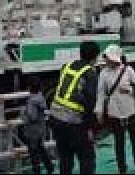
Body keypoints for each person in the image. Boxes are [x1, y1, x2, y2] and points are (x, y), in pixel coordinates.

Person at [95, 45, 135, 175]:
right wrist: (99, 111)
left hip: (131, 111)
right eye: (106, 58)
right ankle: (122, 168)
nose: (107, 61)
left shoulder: (128, 70)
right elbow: (100, 94)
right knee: (119, 142)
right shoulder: (103, 73)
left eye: (109, 58)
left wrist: (129, 89)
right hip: (114, 113)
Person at [50, 41, 100, 175]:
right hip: (74, 122)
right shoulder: (90, 74)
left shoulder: (66, 66)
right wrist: (90, 128)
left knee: (65, 159)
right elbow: (90, 103)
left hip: (56, 118)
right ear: (95, 57)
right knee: (87, 158)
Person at [22, 77, 54, 175]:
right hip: (40, 129)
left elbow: (32, 116)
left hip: (32, 131)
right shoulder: (41, 98)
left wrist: (23, 115)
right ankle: (50, 167)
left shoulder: (31, 101)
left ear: (29, 88)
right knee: (41, 149)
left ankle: (38, 171)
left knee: (34, 154)